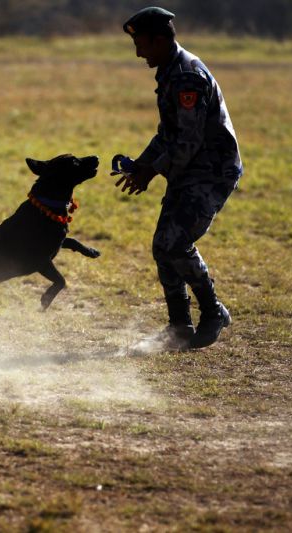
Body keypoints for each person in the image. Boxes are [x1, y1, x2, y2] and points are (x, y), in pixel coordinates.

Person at [114, 6, 243, 350]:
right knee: (163, 246)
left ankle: (213, 312)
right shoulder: (171, 71)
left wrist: (151, 170)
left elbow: (189, 140)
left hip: (211, 172)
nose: (138, 51)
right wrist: (141, 164)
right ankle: (179, 327)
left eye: (141, 43)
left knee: (174, 244)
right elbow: (168, 134)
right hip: (189, 170)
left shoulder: (186, 76)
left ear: (160, 40)